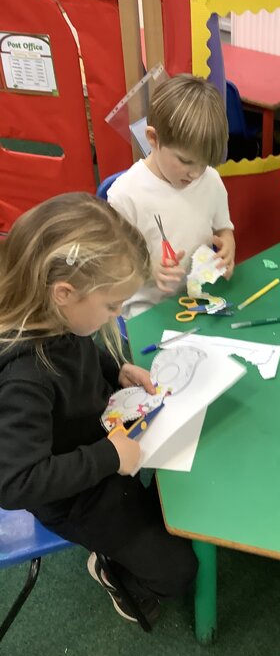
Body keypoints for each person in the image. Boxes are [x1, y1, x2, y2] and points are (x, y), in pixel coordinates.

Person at [0, 193, 198, 625]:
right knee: (178, 573)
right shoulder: (24, 378)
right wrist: (108, 457)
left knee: (185, 501)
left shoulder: (57, 315)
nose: (118, 313)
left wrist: (117, 369)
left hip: (99, 444)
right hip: (70, 494)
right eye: (111, 306)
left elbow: (82, 349)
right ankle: (109, 571)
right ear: (64, 293)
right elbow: (15, 483)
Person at [108, 74, 236, 319]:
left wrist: (228, 245)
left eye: (204, 164)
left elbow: (223, 228)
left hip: (196, 299)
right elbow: (115, 267)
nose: (195, 173)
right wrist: (150, 270)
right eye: (185, 161)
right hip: (146, 310)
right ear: (153, 138)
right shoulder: (125, 195)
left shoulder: (210, 180)